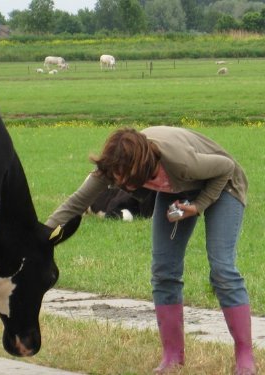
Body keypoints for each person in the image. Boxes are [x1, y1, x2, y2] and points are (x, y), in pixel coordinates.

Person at [46, 126, 255, 374]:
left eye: (124, 176)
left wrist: (197, 206)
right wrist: (39, 237)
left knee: (221, 269)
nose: (119, 181)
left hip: (223, 185)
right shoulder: (116, 165)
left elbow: (225, 167)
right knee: (164, 270)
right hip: (177, 189)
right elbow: (76, 203)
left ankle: (245, 357)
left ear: (142, 164)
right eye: (116, 176)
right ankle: (172, 357)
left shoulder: (180, 162)